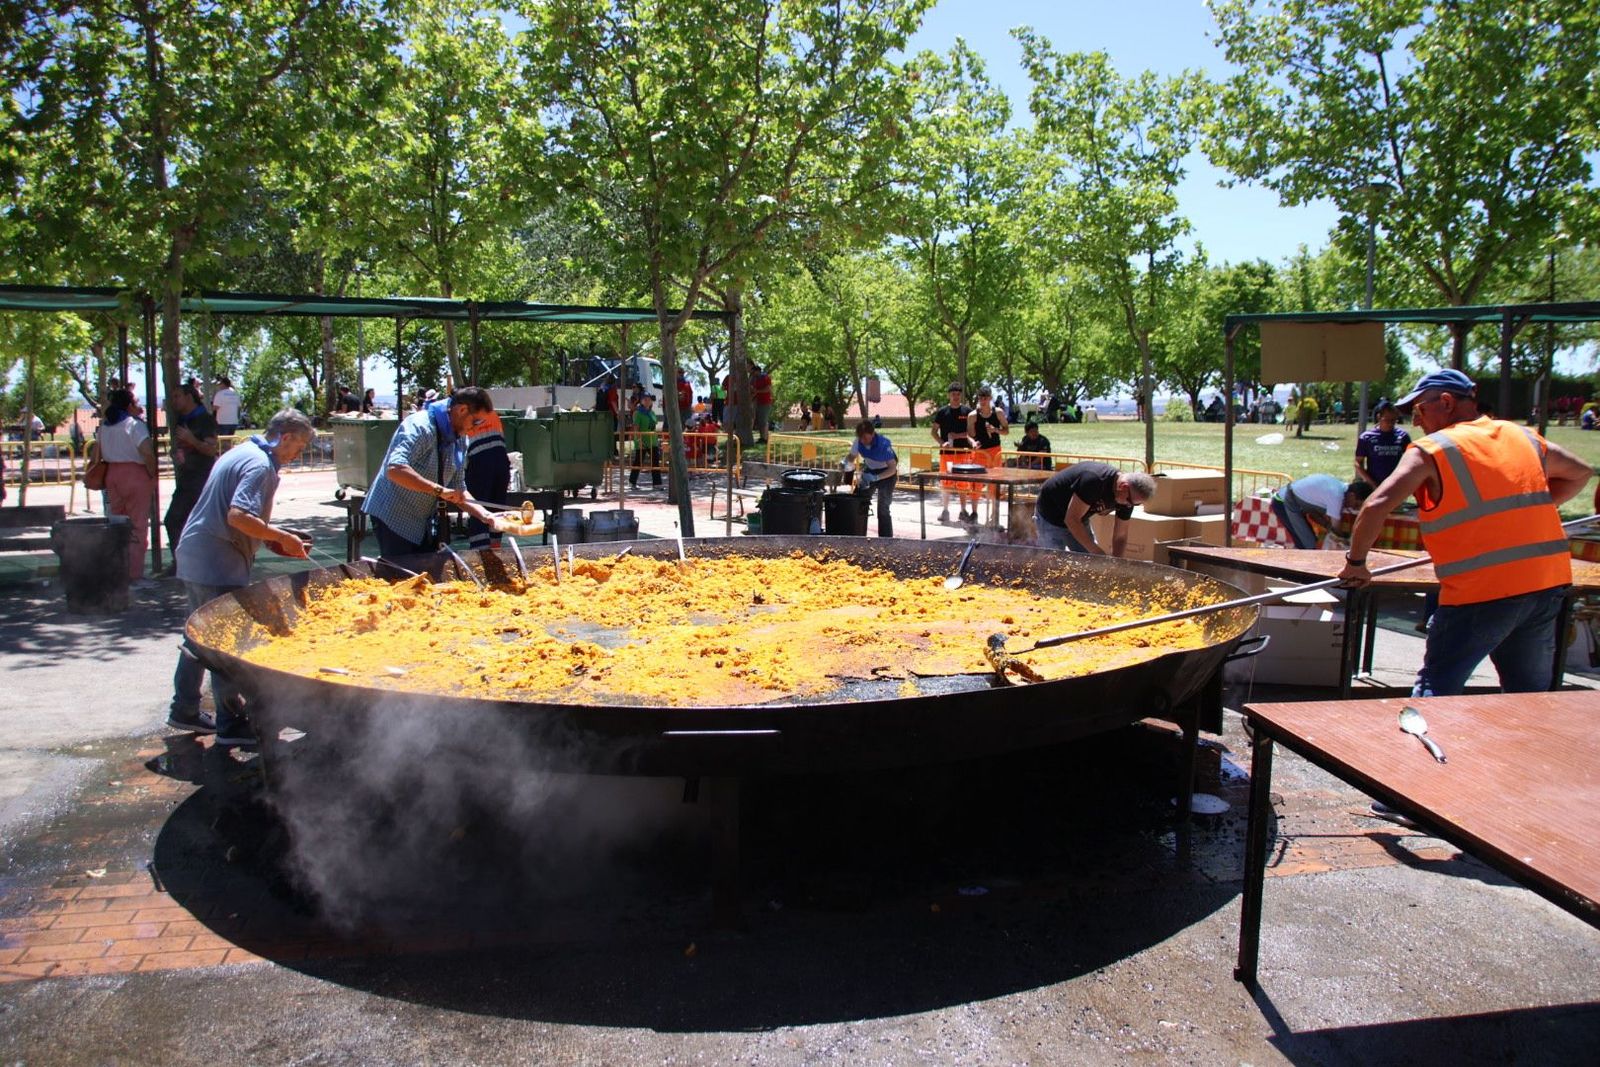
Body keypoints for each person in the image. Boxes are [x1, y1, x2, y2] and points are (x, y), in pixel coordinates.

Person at [1339, 369, 1593, 697]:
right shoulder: (1521, 436)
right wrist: (1532, 509)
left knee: (1436, 692)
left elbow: (1377, 506)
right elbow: (1580, 473)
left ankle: (1422, 749)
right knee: (1528, 699)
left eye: (1418, 410)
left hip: (1481, 592)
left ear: (1445, 402)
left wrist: (1356, 563)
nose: (1416, 422)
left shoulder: (1432, 449)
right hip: (1544, 586)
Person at [167, 409, 316, 743]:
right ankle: (232, 725)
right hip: (215, 561)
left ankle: (184, 709)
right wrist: (281, 537)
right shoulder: (260, 465)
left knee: (198, 640)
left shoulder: (241, 450)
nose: (297, 455)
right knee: (225, 646)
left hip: (196, 554)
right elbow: (238, 516)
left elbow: (235, 515)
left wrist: (270, 539)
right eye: (299, 447)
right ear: (286, 437)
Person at [362, 386, 499, 559]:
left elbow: (458, 489)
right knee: (401, 576)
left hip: (421, 520)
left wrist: (485, 515)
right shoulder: (419, 426)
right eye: (476, 422)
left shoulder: (460, 439)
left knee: (425, 574)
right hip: (393, 515)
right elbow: (395, 469)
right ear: (462, 410)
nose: (476, 428)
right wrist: (439, 490)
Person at [94, 388, 159, 584]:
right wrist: (152, 474)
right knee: (138, 526)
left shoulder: (105, 426)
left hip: (112, 474)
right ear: (129, 405)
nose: (140, 407)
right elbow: (147, 452)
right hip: (135, 475)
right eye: (137, 402)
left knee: (118, 525)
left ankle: (119, 570)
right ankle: (135, 573)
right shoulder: (134, 425)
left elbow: (97, 453)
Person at [1034, 462, 1156, 557]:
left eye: (1134, 504)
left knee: (1090, 563)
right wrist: (1096, 551)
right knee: (1053, 564)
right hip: (1051, 515)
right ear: (1123, 487)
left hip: (1079, 518)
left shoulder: (1128, 497)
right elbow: (1071, 520)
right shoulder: (1094, 480)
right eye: (1130, 502)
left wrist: (1118, 563)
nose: (1129, 506)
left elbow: (1120, 535)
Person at [160, 384, 219, 576]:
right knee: (173, 520)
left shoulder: (204, 419)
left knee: (199, 523)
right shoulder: (181, 419)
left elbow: (211, 449)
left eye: (177, 396)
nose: (174, 401)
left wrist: (191, 440)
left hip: (203, 479)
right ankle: (182, 563)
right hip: (187, 479)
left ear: (189, 397)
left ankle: (201, 565)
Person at [1271, 473, 1370, 550]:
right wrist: (1347, 542)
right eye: (1356, 505)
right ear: (1352, 495)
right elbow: (1336, 529)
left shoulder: (1340, 487)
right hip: (1283, 502)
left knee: (1309, 542)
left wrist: (1328, 526)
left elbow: (1314, 513)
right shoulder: (1336, 496)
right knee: (1307, 544)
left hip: (1291, 501)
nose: (1354, 508)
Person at [841, 419, 899, 537]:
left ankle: (885, 540)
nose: (864, 441)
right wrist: (845, 463)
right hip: (870, 470)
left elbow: (892, 468)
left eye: (866, 439)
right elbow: (852, 456)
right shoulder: (858, 442)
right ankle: (857, 533)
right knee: (858, 501)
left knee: (883, 508)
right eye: (861, 439)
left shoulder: (883, 444)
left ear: (873, 434)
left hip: (887, 474)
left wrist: (877, 477)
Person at [464, 409, 510, 550]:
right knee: (496, 508)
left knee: (478, 509)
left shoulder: (464, 416)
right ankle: (495, 549)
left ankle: (481, 553)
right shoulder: (491, 413)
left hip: (479, 464)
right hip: (501, 462)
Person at [931, 383, 975, 524]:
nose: (955, 397)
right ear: (948, 395)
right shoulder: (943, 412)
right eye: (953, 394)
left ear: (960, 395)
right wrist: (942, 442)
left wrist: (958, 436)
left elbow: (972, 432)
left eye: (958, 394)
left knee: (963, 483)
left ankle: (963, 510)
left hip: (963, 453)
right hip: (947, 453)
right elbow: (933, 431)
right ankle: (945, 510)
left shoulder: (967, 411)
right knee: (946, 483)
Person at [967, 385, 1010, 525]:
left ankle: (994, 517)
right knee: (975, 484)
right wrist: (973, 442)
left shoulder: (998, 413)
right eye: (980, 398)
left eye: (985, 398)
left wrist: (995, 430)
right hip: (979, 453)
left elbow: (1006, 431)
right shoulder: (972, 415)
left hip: (995, 452)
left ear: (990, 398)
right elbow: (969, 435)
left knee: (994, 485)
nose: (983, 401)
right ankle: (974, 514)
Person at [1354, 399, 1410, 488]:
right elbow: (1358, 463)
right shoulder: (1366, 437)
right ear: (1379, 417)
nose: (1391, 423)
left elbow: (1409, 460)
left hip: (1396, 484)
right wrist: (1371, 483)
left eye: (1394, 420)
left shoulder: (1403, 436)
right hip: (1374, 484)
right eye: (1387, 420)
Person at [630, 391, 662, 489]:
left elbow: (654, 427)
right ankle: (632, 483)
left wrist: (658, 440)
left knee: (655, 463)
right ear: (641, 401)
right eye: (645, 399)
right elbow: (636, 427)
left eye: (649, 399)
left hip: (653, 441)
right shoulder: (637, 413)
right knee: (638, 462)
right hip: (642, 441)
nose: (648, 401)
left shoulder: (652, 413)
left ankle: (657, 484)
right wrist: (639, 441)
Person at [750, 363, 774, 444]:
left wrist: (757, 391)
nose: (752, 374)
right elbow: (754, 391)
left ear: (758, 371)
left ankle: (765, 438)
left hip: (766, 402)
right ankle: (762, 438)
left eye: (754, 372)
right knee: (760, 421)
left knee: (764, 421)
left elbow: (768, 389)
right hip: (758, 402)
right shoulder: (754, 379)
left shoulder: (765, 377)